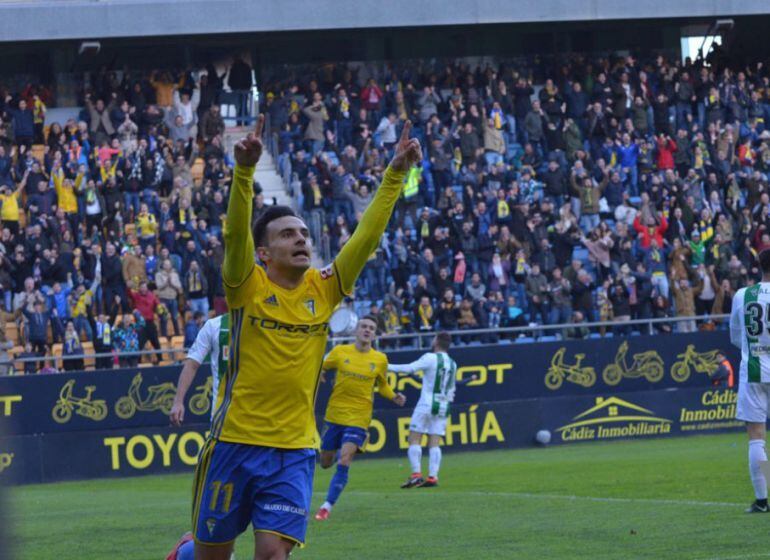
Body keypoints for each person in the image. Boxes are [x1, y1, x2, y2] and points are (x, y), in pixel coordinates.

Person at [189, 116, 421, 558]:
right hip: (234, 443)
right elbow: (235, 234)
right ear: (264, 253)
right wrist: (244, 173)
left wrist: (395, 173)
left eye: (302, 233)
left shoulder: (325, 287)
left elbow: (367, 237)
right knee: (211, 555)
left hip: (295, 448)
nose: (301, 239)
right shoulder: (247, 284)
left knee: (274, 553)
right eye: (286, 235)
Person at [313, 315, 406, 521]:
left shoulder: (380, 359)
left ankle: (327, 506)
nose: (367, 330)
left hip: (359, 417)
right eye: (363, 326)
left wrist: (394, 396)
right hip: (335, 415)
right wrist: (318, 372)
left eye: (371, 328)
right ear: (356, 330)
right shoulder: (340, 352)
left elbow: (382, 385)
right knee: (325, 462)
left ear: (374, 334)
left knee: (345, 459)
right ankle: (338, 453)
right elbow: (321, 365)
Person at [388, 331, 461, 488]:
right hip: (443, 405)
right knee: (434, 442)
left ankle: (416, 475)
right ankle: (433, 477)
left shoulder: (430, 358)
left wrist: (385, 366)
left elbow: (409, 369)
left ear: (436, 341)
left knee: (414, 438)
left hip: (426, 403)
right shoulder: (453, 364)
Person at [731, 249, 770, 513]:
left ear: (758, 266)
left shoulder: (743, 295)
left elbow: (735, 335)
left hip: (754, 369)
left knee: (756, 437)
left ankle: (762, 500)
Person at [170, 313, 230, 425]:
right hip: (223, 417)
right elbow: (192, 364)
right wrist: (178, 401)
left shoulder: (262, 328)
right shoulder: (214, 325)